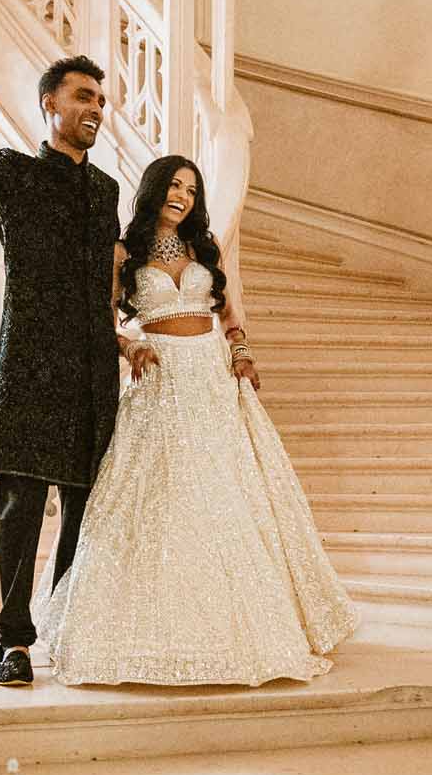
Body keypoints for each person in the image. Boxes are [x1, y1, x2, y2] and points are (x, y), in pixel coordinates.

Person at [35, 154, 359, 685]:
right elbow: (99, 319)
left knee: (224, 496)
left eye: (191, 189)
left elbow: (230, 317)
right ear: (154, 189)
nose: (181, 196)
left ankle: (245, 628)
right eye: (173, 185)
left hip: (211, 378)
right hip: (159, 377)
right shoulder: (123, 253)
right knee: (159, 498)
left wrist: (242, 353)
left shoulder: (205, 249)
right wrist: (128, 345)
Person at [0, 0, 126, 687]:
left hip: (93, 368)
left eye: (100, 99)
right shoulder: (15, 172)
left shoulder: (107, 190)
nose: (95, 108)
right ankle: (13, 640)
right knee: (20, 505)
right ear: (50, 104)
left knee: (82, 505)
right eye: (83, 96)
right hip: (31, 363)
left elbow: (109, 280)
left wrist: (126, 336)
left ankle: (64, 625)